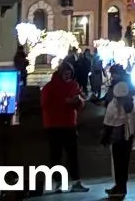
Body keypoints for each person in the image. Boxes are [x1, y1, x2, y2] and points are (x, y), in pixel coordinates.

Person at [42, 61, 89, 192]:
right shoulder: (49, 87)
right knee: (56, 155)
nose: (68, 76)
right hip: (54, 125)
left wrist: (78, 101)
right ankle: (57, 182)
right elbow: (45, 105)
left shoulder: (74, 85)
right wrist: (64, 102)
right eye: (66, 74)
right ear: (60, 73)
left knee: (72, 155)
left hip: (69, 124)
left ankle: (76, 182)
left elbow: (81, 100)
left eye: (70, 74)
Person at [101, 66, 135, 199]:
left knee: (120, 161)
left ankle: (120, 188)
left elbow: (119, 112)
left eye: (114, 74)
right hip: (123, 129)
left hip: (121, 130)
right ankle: (119, 186)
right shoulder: (123, 86)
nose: (113, 77)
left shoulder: (122, 89)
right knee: (120, 161)